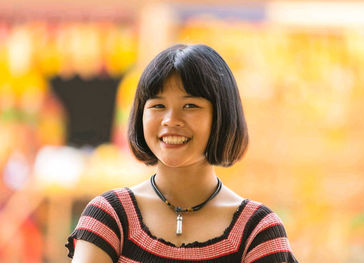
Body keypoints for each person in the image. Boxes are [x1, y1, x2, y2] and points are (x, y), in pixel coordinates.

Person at [66, 44, 298, 263]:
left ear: (222, 117)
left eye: (190, 106)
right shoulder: (110, 216)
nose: (170, 120)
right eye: (158, 106)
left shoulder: (257, 231)